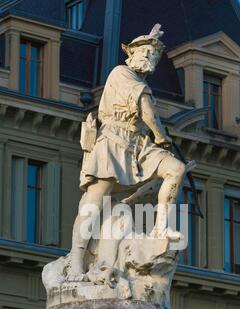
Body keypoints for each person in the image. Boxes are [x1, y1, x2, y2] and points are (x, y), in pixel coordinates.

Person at [69, 24, 195, 280]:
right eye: (145, 53)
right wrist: (161, 136)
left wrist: (157, 139)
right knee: (93, 203)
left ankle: (162, 227)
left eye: (154, 56)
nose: (150, 58)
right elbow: (146, 109)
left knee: (176, 169)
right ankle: (75, 260)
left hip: (138, 145)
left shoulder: (138, 81)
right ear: (131, 55)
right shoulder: (121, 73)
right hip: (113, 142)